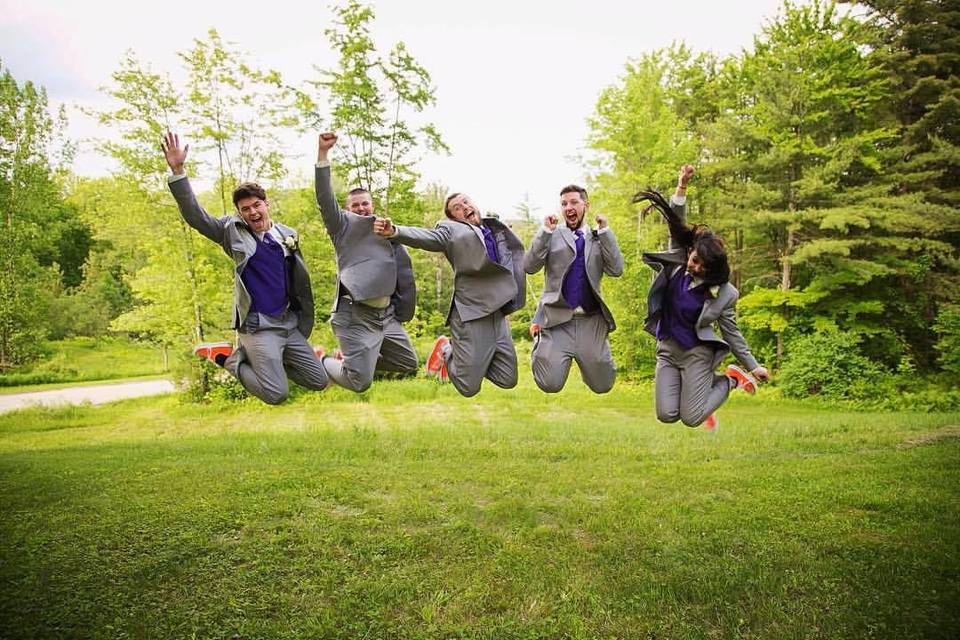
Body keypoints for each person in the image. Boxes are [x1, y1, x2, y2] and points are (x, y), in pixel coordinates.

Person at [161, 131, 328, 404]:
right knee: (276, 394)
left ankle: (274, 360)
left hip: (287, 323)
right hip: (257, 327)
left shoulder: (287, 234)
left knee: (318, 381)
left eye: (256, 205)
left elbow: (296, 279)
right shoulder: (232, 233)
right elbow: (195, 215)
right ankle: (228, 358)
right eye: (245, 209)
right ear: (240, 213)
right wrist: (178, 171)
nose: (252, 212)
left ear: (266, 204)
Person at [635, 164, 770, 431]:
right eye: (694, 259)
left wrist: (753, 366)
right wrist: (682, 185)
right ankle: (712, 387)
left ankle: (731, 380)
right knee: (666, 414)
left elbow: (732, 332)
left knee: (692, 418)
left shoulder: (725, 294)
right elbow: (676, 219)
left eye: (701, 267)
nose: (693, 266)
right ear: (691, 251)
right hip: (667, 351)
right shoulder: (678, 262)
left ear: (712, 270)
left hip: (696, 354)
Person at [372, 193, 525, 397]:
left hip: (498, 313)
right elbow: (427, 237)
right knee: (468, 388)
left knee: (508, 379)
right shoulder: (452, 230)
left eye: (466, 201)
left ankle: (471, 361)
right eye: (457, 207)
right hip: (471, 313)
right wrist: (395, 231)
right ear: (454, 218)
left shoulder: (495, 229)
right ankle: (446, 350)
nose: (464, 206)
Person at [314, 132, 418, 391]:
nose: (361, 208)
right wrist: (323, 154)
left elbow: (402, 272)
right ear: (348, 209)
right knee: (359, 382)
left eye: (365, 204)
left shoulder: (385, 229)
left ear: (373, 206)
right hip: (355, 315)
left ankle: (353, 361)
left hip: (386, 316)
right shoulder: (341, 227)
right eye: (356, 205)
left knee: (407, 362)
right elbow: (325, 199)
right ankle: (324, 360)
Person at [523, 184, 624, 393]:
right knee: (549, 384)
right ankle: (539, 338)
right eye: (564, 203)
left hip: (590, 320)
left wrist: (605, 231)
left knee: (603, 385)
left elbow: (616, 269)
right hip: (557, 319)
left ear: (586, 205)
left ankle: (588, 362)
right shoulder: (552, 234)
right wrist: (544, 233)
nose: (568, 207)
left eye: (574, 202)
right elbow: (529, 266)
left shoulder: (599, 237)